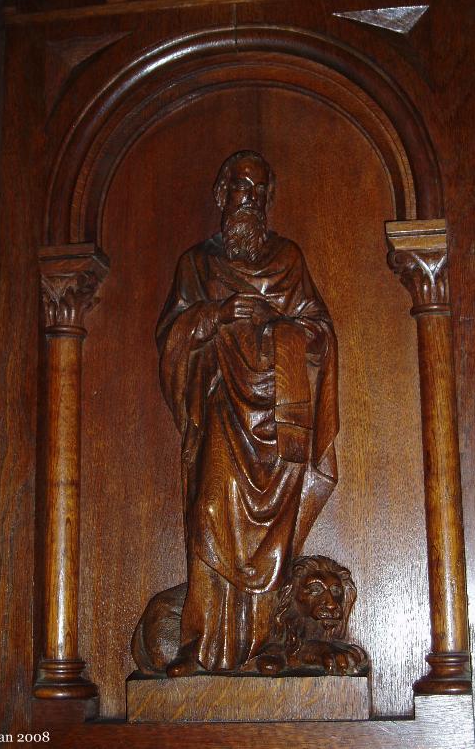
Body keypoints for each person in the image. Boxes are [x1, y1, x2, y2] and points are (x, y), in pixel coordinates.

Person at [156, 151, 339, 676]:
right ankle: (200, 643)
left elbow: (320, 330)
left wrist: (279, 326)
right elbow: (172, 339)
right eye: (241, 187)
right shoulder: (196, 265)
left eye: (259, 191)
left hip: (279, 420)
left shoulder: (289, 260)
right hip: (222, 413)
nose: (249, 199)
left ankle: (266, 644)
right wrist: (216, 316)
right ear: (221, 194)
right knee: (209, 514)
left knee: (272, 542)